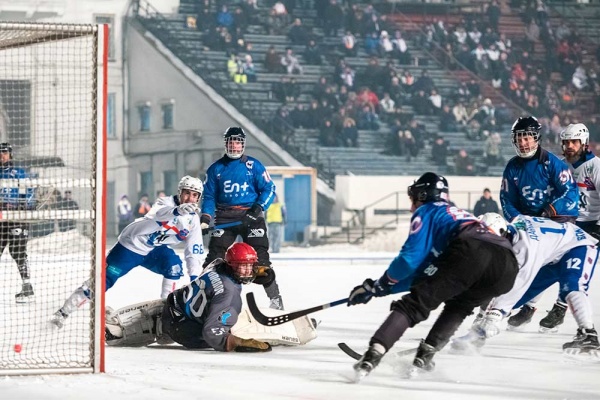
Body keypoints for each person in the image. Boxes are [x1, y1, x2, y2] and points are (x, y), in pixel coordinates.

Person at [347, 172, 518, 380]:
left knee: (412, 306)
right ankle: (424, 356)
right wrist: (378, 289)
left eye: (413, 200)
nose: (412, 207)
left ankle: (371, 357)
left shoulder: (427, 211)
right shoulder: (456, 215)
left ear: (422, 195)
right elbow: (427, 276)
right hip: (507, 266)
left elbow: (410, 260)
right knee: (460, 304)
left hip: (472, 252)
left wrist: (382, 284)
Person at [50, 176, 206, 328]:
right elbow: (159, 214)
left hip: (153, 249)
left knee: (174, 267)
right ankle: (63, 312)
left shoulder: (193, 220)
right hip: (131, 245)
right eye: (187, 193)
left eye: (194, 195)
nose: (190, 198)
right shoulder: (165, 202)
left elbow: (194, 250)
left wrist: (194, 278)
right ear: (180, 193)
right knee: (103, 281)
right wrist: (178, 211)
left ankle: (164, 314)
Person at [104, 242, 317, 351]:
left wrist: (252, 274)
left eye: (250, 266)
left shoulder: (216, 264)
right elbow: (212, 333)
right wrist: (235, 343)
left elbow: (227, 277)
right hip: (185, 330)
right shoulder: (229, 298)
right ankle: (159, 330)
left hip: (172, 306)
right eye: (243, 267)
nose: (248, 271)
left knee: (218, 313)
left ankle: (132, 328)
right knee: (237, 324)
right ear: (232, 266)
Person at [453, 213, 599, 354]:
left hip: (578, 246)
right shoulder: (513, 229)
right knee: (514, 296)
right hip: (555, 254)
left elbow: (520, 281)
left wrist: (495, 314)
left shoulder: (526, 246)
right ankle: (478, 335)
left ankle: (588, 334)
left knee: (572, 286)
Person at [500, 115, 579, 328]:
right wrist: (518, 220)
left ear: (537, 138)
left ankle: (529, 306)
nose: (524, 142)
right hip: (528, 223)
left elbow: (570, 193)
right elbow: (507, 199)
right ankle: (515, 304)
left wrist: (548, 211)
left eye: (528, 138)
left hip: (556, 221)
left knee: (542, 264)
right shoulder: (512, 167)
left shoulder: (552, 164)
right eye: (520, 138)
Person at [200, 127, 283, 310]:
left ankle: (275, 299)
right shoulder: (216, 169)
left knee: (261, 261)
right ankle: (204, 299)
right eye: (231, 141)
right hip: (224, 218)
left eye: (238, 142)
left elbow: (269, 189)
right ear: (226, 143)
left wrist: (257, 208)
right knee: (214, 259)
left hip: (251, 217)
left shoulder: (254, 166)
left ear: (243, 144)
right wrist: (205, 218)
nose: (234, 145)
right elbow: (208, 196)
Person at [0, 142, 35, 303]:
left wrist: (24, 207)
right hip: (1, 218)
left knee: (18, 252)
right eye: (0, 152)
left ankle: (27, 288)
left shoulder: (18, 173)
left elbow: (29, 191)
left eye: (5, 152)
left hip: (16, 217)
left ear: (10, 154)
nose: (2, 155)